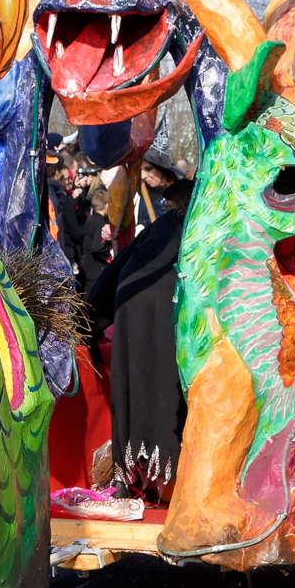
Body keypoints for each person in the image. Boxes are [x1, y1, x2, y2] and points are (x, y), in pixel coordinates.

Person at [88, 177, 194, 506]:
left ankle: (125, 477)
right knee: (167, 393)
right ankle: (173, 481)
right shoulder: (197, 228)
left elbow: (115, 271)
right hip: (166, 314)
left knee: (130, 391)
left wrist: (89, 321)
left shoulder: (160, 227)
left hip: (130, 309)